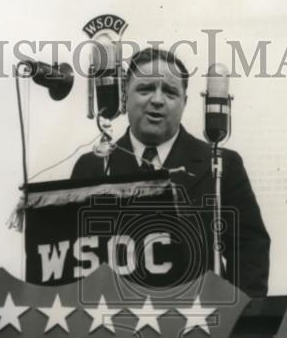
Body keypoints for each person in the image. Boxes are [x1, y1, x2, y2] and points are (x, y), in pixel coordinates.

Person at [71, 47, 271, 297]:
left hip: (200, 324)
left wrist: (238, 321)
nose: (157, 99)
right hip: (113, 324)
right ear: (124, 95)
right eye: (145, 89)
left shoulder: (221, 166)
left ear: (184, 102)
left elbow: (249, 250)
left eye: (170, 91)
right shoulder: (91, 167)